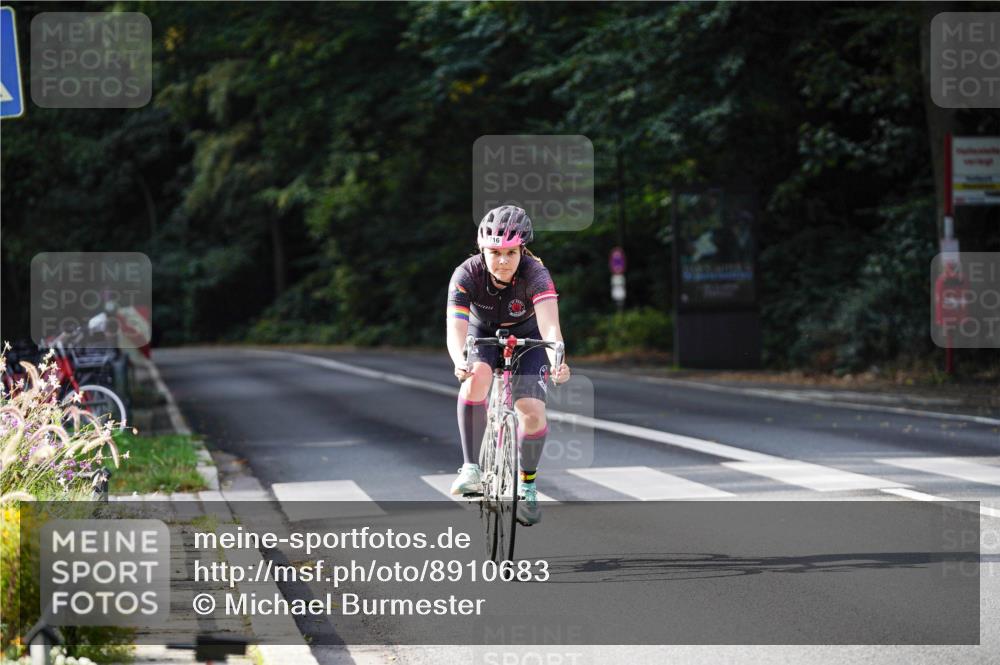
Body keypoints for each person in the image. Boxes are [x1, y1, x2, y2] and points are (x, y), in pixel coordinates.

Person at [445, 205, 571, 526]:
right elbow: (456, 330)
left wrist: (558, 358)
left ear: (522, 250)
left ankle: (527, 486)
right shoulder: (466, 274)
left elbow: (550, 328)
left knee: (530, 409)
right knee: (477, 377)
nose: (503, 261)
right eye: (495, 252)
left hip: (527, 336)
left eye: (511, 253)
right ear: (482, 250)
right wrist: (460, 359)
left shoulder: (536, 274)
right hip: (481, 332)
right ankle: (471, 468)